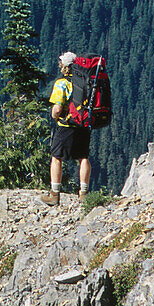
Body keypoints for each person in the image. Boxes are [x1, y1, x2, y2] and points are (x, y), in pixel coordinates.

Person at [40, 51, 91, 206]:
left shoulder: (62, 83)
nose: (59, 65)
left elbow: (57, 108)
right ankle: (84, 194)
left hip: (66, 125)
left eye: (61, 62)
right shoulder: (87, 81)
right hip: (83, 124)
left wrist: (55, 117)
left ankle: (54, 194)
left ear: (65, 66)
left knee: (56, 157)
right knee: (83, 157)